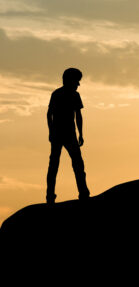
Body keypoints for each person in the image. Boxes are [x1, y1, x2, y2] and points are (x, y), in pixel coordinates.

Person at [46, 67, 90, 203]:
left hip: (67, 134)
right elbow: (50, 114)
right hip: (64, 134)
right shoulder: (61, 94)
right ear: (70, 80)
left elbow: (78, 116)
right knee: (60, 164)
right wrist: (52, 131)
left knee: (72, 164)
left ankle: (82, 192)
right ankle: (52, 195)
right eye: (77, 81)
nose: (78, 84)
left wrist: (81, 134)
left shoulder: (70, 95)